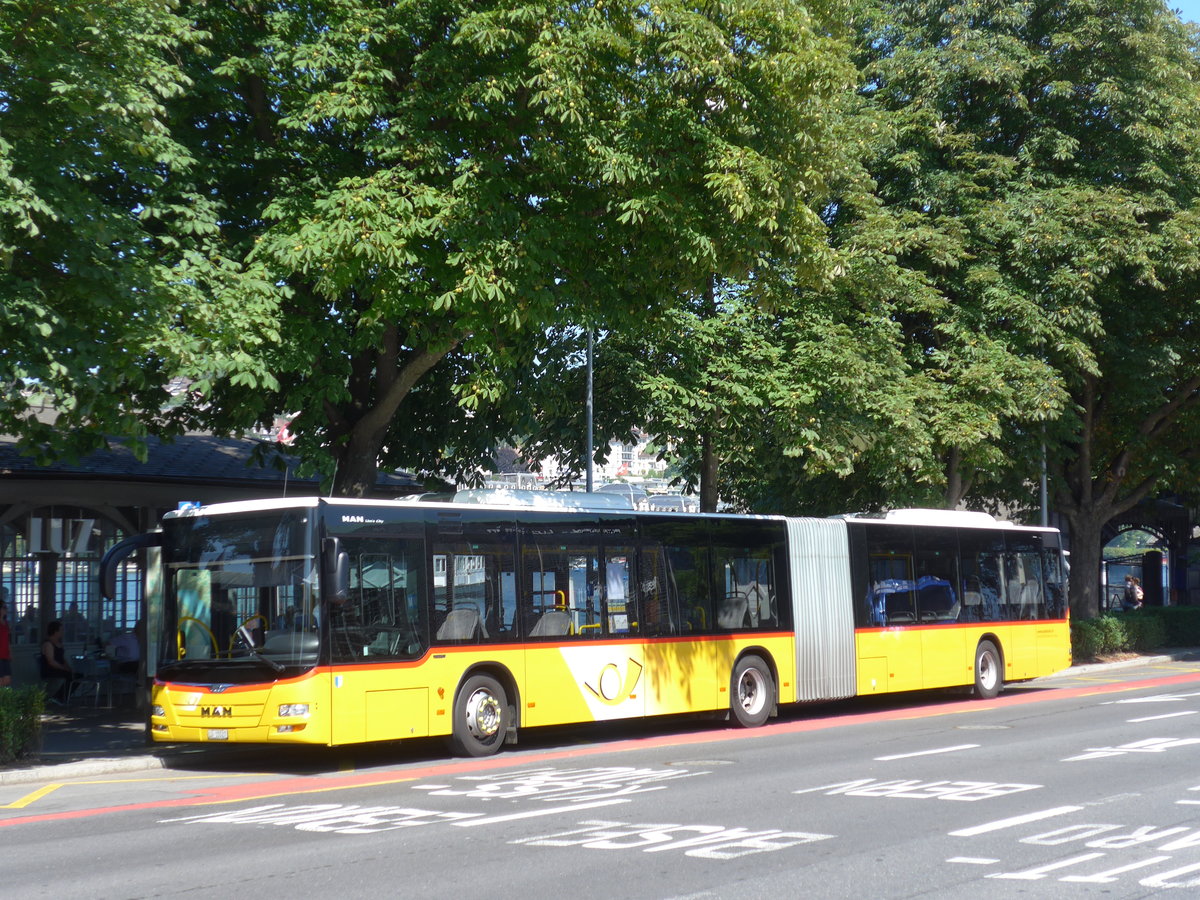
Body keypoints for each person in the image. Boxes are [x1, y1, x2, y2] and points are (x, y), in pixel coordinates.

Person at [40, 620, 78, 703]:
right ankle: (57, 697)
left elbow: (62, 658)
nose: (63, 632)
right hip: (50, 669)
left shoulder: (59, 643)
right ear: (55, 631)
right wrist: (64, 668)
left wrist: (68, 667)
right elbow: (51, 661)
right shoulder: (48, 644)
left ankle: (62, 696)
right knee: (68, 675)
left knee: (77, 675)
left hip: (59, 668)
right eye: (61, 630)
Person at [0, 595, 11, 688]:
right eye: (4, 607)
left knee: (7, 680)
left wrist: (9, 652)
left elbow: (7, 639)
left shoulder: (5, 622)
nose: (6, 609)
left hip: (5, 655)